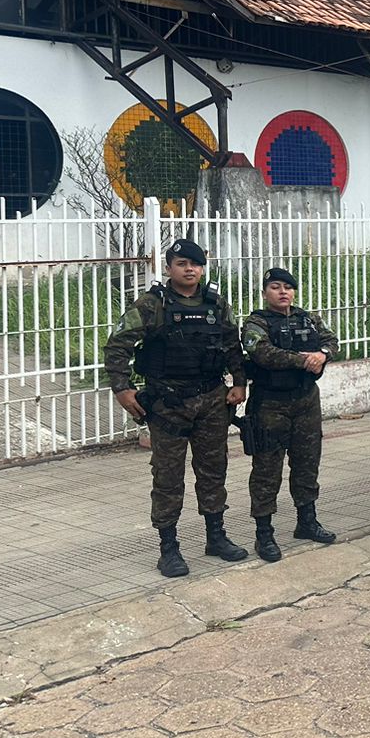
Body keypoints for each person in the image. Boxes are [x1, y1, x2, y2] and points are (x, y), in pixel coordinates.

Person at [104, 238, 249, 577]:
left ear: (202, 268)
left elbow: (232, 345)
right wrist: (122, 389)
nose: (189, 269)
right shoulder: (152, 304)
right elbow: (117, 346)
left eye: (195, 264)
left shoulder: (216, 304)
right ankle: (168, 548)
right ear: (168, 267)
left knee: (213, 470)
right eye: (181, 263)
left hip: (212, 400)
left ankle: (216, 537)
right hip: (169, 403)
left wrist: (239, 382)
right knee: (168, 477)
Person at [240, 267, 339, 563]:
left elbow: (332, 342)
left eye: (288, 287)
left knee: (307, 463)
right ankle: (264, 533)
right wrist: (303, 359)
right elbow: (263, 354)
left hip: (306, 401)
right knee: (267, 470)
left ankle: (307, 521)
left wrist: (322, 355)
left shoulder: (308, 318)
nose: (283, 292)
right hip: (270, 404)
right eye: (275, 287)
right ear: (265, 293)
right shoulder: (256, 322)